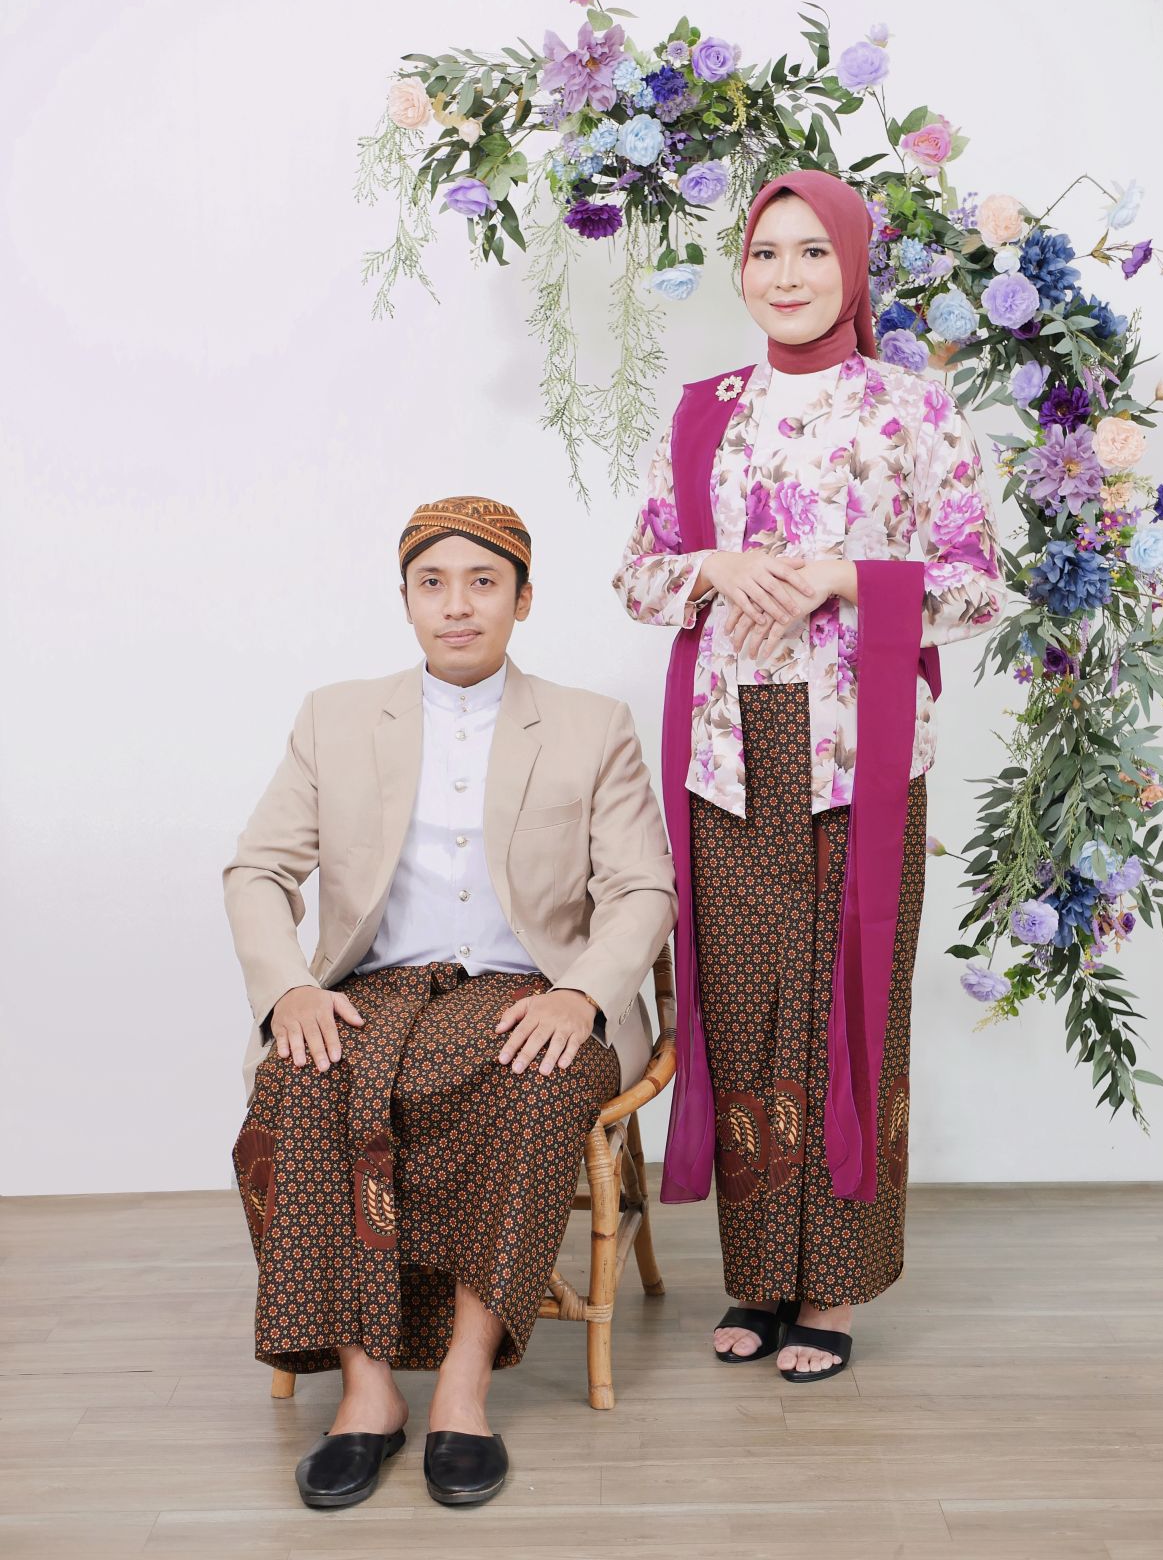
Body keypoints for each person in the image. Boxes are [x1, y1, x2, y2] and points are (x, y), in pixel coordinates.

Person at [612, 169, 1005, 1382]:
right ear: (742, 270)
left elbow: (977, 586)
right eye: (765, 252)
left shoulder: (910, 410)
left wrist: (844, 578)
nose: (785, 275)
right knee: (741, 1011)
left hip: (857, 754)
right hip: (728, 751)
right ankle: (758, 1278)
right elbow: (637, 574)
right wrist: (715, 567)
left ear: (852, 266)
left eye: (811, 252)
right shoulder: (704, 413)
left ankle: (829, 1289)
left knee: (847, 1010)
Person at [226, 496, 676, 1508]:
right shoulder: (335, 715)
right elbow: (258, 869)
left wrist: (581, 994)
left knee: (532, 1085)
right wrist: (289, 986)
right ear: (405, 601)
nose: (457, 605)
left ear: (524, 599)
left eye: (483, 582)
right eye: (432, 584)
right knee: (299, 1086)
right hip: (373, 991)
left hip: (535, 990)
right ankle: (368, 1390)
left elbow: (643, 885)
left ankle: (463, 1390)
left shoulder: (590, 723)